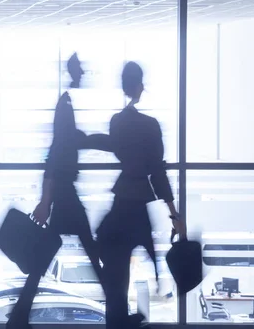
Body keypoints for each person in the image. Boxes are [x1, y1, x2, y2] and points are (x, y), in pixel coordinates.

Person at [6, 53, 110, 329]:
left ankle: (18, 316)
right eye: (80, 70)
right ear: (73, 72)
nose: (83, 74)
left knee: (45, 260)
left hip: (63, 194)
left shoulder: (65, 104)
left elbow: (66, 145)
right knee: (91, 252)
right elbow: (61, 150)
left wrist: (46, 200)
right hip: (66, 196)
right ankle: (117, 313)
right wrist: (47, 200)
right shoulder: (65, 105)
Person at [96, 61, 185, 329]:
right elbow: (157, 172)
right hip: (135, 204)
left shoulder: (117, 122)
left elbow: (118, 151)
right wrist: (174, 214)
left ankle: (118, 321)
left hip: (121, 201)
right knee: (138, 262)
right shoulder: (149, 125)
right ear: (139, 86)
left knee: (116, 276)